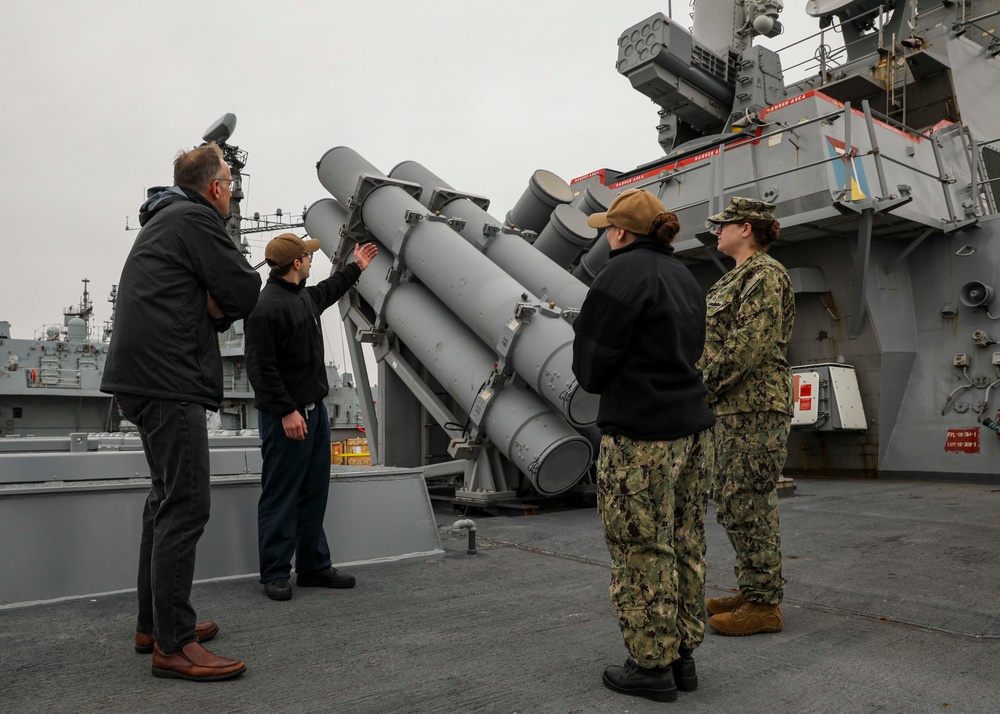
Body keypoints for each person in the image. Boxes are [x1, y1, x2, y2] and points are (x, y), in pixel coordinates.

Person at [102, 143, 261, 681]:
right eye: (230, 184)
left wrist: (207, 300)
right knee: (187, 504)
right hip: (171, 378)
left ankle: (154, 624)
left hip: (141, 377)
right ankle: (173, 644)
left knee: (164, 500)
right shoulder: (195, 218)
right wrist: (214, 302)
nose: (233, 192)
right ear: (215, 187)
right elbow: (244, 289)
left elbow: (213, 297)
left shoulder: (166, 219)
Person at [572, 188, 716, 704]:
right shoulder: (686, 277)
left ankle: (650, 666)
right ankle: (682, 657)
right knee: (685, 542)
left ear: (618, 232)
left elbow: (589, 369)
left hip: (641, 437)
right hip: (694, 432)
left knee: (640, 548)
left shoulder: (619, 275)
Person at [246, 233, 378, 601]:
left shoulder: (302, 296)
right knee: (281, 495)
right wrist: (286, 410)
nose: (311, 261)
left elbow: (329, 289)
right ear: (295, 264)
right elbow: (261, 369)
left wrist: (357, 268)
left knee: (313, 492)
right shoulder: (267, 308)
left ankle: (312, 566)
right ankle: (274, 572)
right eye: (308, 257)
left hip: (314, 414)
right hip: (286, 417)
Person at [699, 197, 795, 637]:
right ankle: (753, 587)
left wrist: (700, 387)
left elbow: (747, 346)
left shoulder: (765, 275)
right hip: (735, 406)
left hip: (755, 406)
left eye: (724, 224)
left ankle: (764, 605)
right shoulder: (739, 277)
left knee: (750, 502)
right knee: (734, 500)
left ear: (746, 228)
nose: (716, 231)